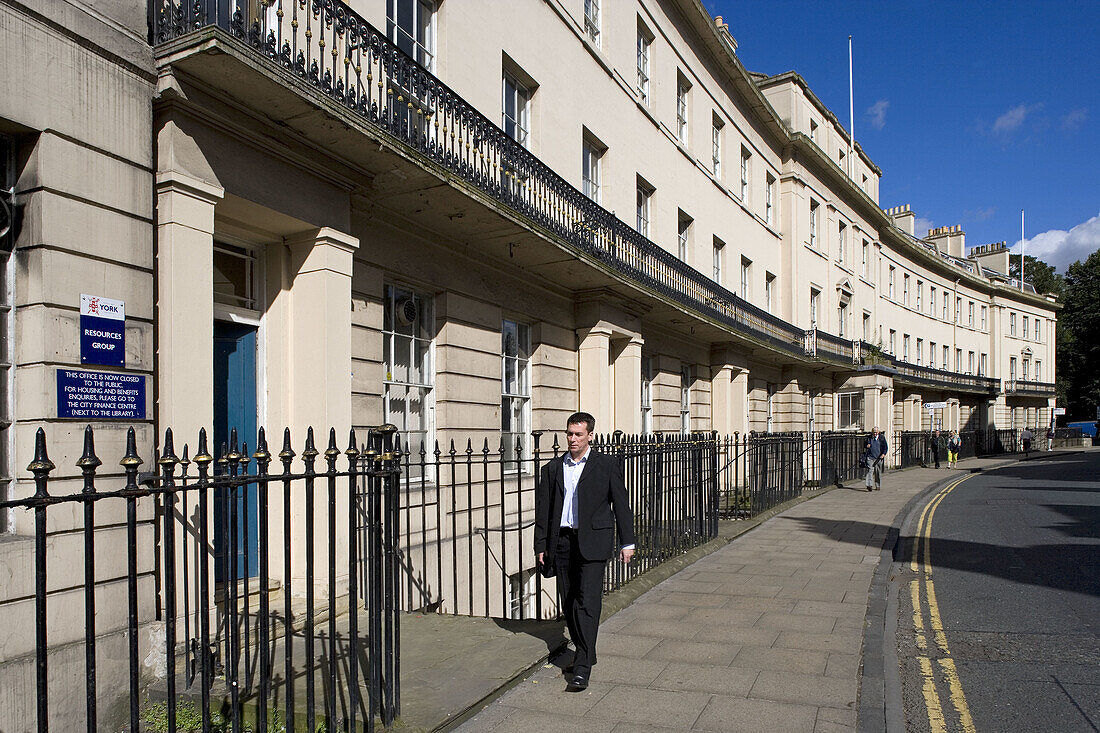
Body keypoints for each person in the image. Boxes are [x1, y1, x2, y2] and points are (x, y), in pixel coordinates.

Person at [534, 412, 636, 692]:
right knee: (568, 602)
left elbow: (621, 504)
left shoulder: (606, 465)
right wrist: (541, 545)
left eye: (578, 434)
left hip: (593, 542)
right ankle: (584, 651)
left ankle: (582, 667)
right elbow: (544, 510)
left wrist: (628, 542)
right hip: (562, 542)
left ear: (590, 435)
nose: (573, 439)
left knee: (587, 603)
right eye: (569, 433)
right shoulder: (553, 468)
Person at [863, 426, 888, 491]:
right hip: (870, 457)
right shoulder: (869, 438)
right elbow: (864, 445)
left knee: (877, 472)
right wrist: (866, 446)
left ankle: (877, 485)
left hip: (878, 458)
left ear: (878, 432)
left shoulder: (882, 438)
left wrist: (883, 454)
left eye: (876, 432)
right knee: (870, 471)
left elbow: (885, 447)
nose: (875, 434)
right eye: (874, 432)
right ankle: (869, 485)